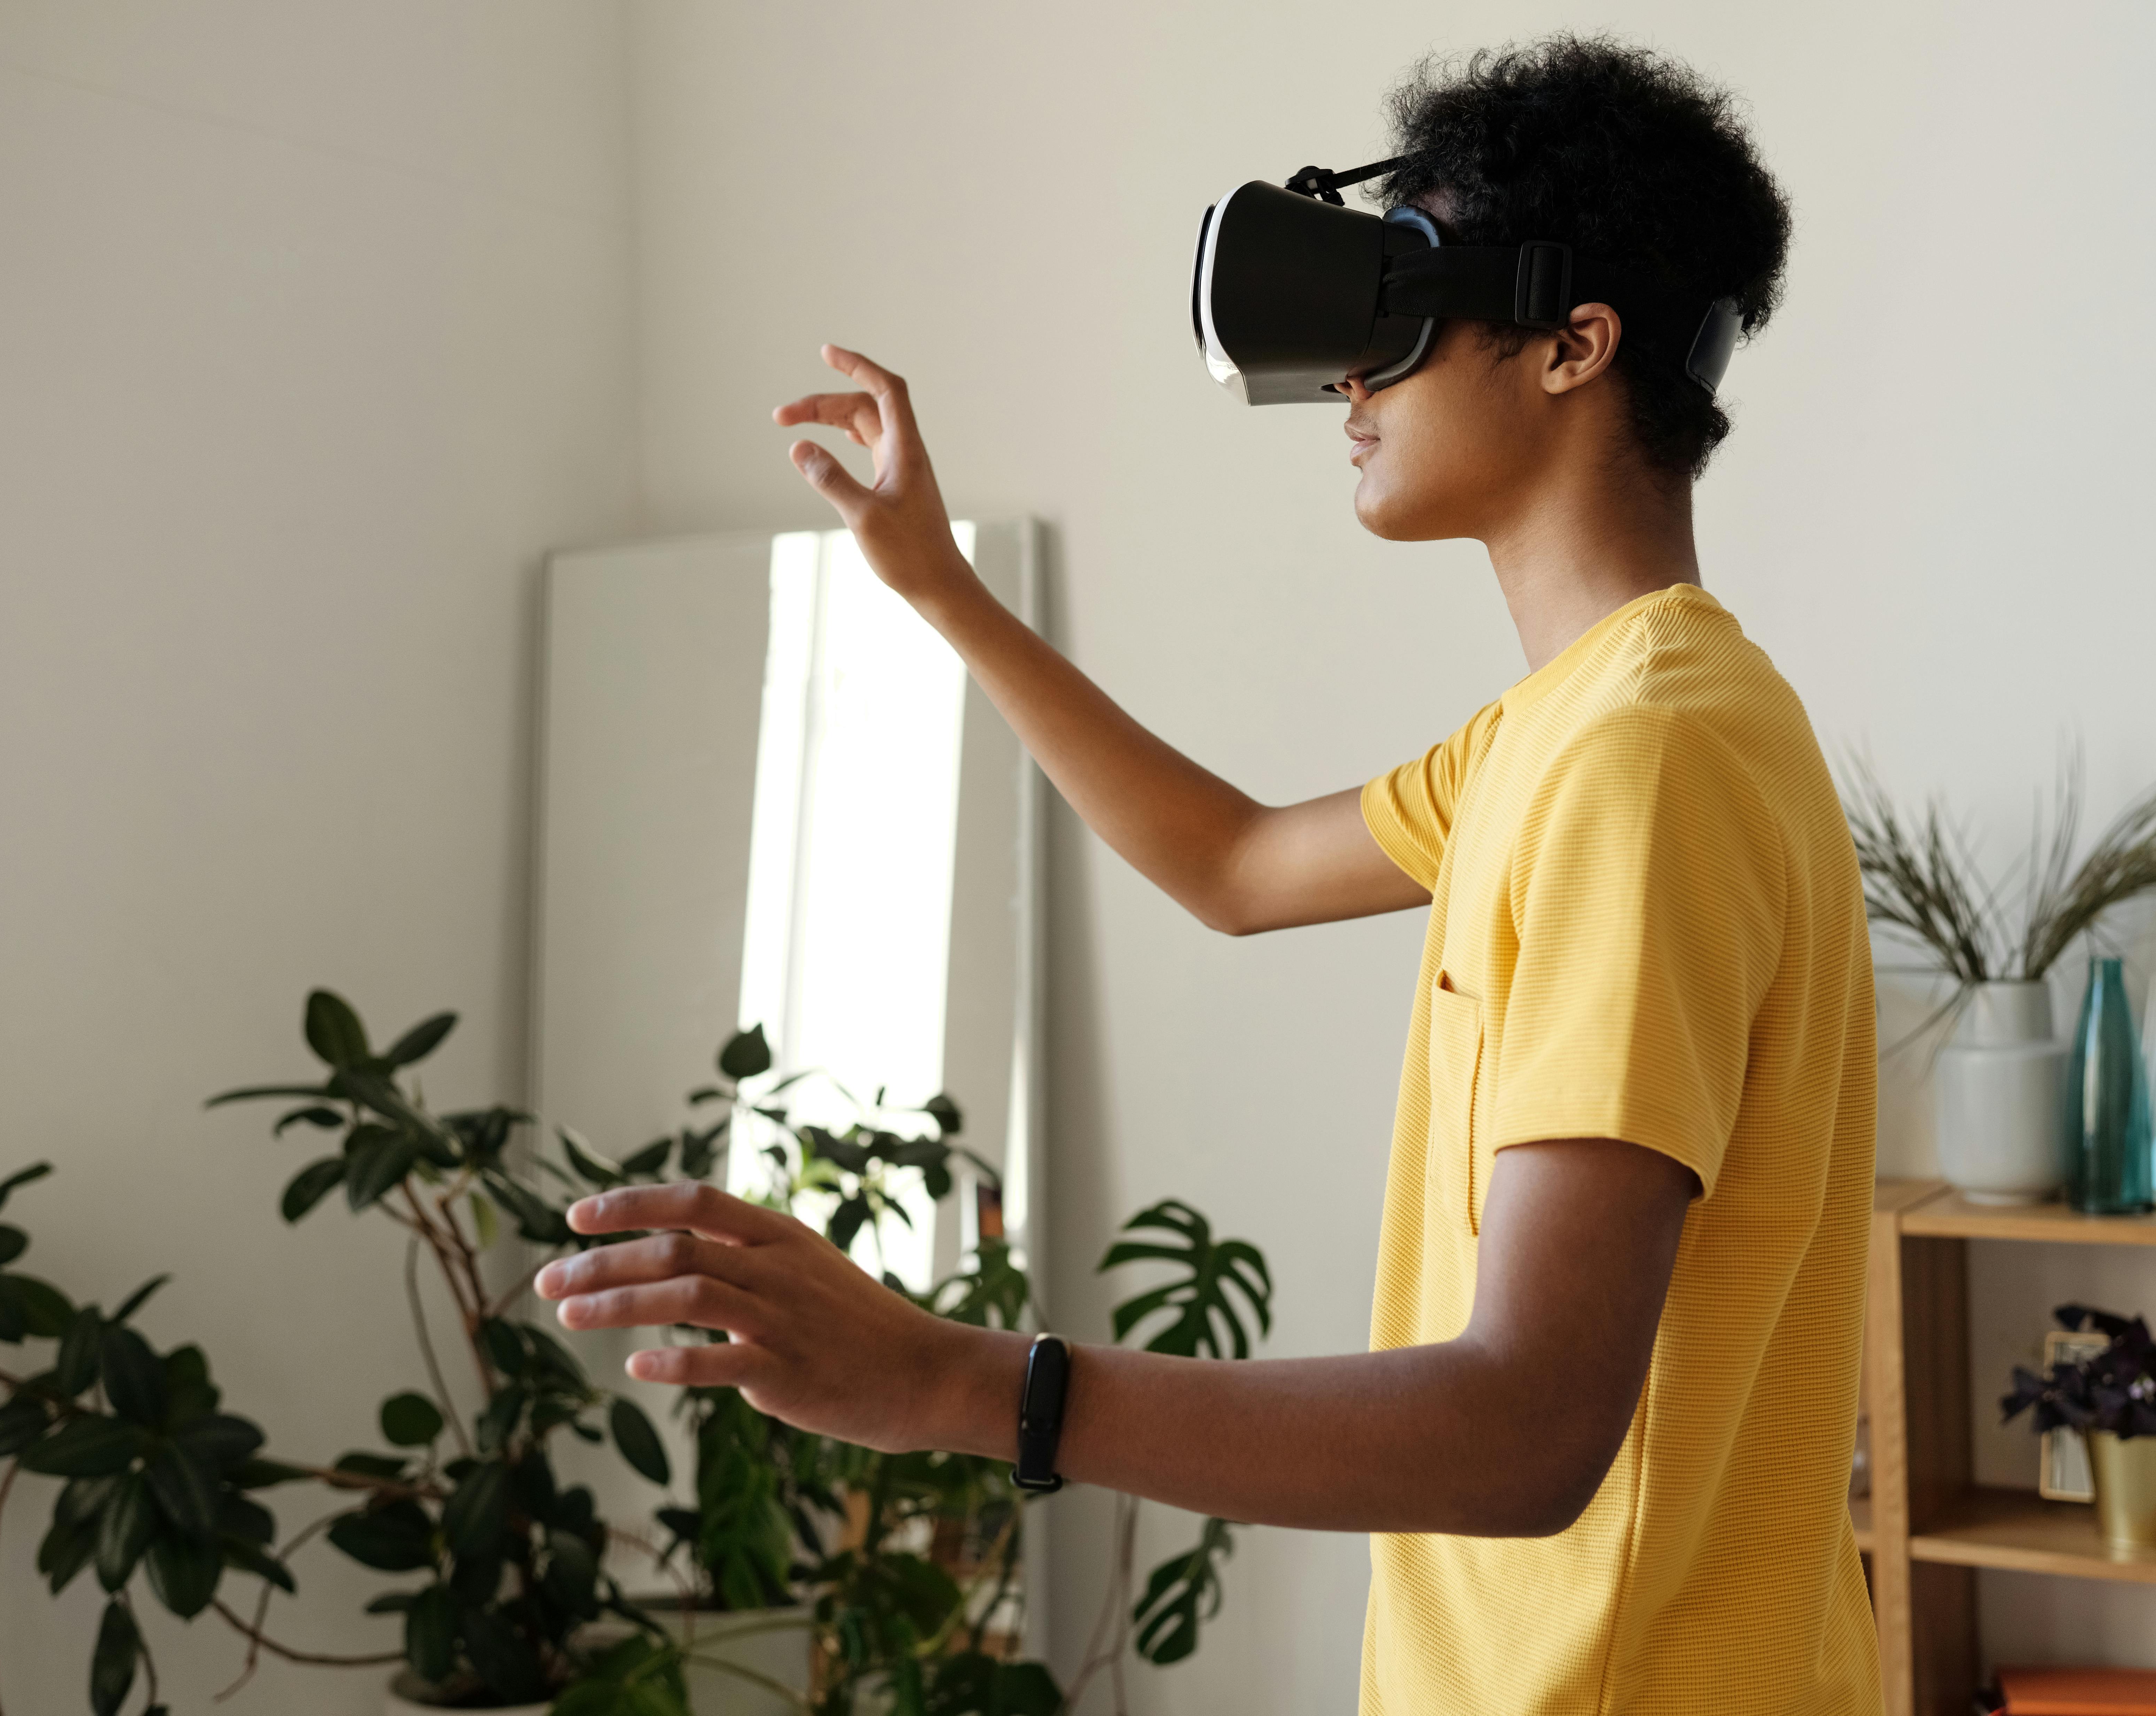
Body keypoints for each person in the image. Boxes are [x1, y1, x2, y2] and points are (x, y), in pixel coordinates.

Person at [535, 34, 1880, 1714]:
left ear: (1571, 344)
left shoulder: (1644, 758)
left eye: (1397, 308)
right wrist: (944, 590)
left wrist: (966, 1383)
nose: (1347, 386)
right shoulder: (1578, 731)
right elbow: (1233, 863)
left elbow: (1531, 1427)